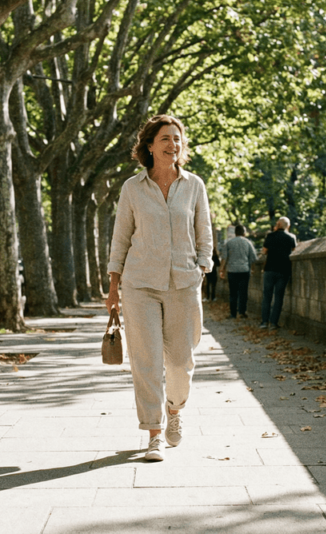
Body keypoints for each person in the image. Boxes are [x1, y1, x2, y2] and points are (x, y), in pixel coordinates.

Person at [106, 114, 213, 463]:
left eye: (177, 139)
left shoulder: (194, 185)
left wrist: (201, 268)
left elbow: (204, 232)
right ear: (150, 146)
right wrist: (113, 286)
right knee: (147, 362)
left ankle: (174, 409)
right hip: (140, 285)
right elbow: (121, 237)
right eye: (165, 138)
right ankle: (154, 433)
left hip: (184, 283)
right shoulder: (132, 188)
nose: (173, 144)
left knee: (181, 362)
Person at [259, 216, 297, 330]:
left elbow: (264, 251)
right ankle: (273, 323)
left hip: (270, 269)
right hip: (283, 270)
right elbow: (294, 251)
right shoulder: (291, 237)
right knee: (279, 297)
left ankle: (264, 322)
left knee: (267, 296)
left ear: (278, 224)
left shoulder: (270, 236)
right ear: (288, 226)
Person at [219, 225, 256, 319]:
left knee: (233, 293)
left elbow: (224, 258)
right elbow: (253, 257)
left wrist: (221, 270)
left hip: (232, 271)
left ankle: (233, 314)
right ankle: (242, 312)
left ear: (235, 233)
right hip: (244, 270)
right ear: (244, 233)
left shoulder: (229, 243)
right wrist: (252, 269)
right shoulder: (248, 242)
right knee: (243, 292)